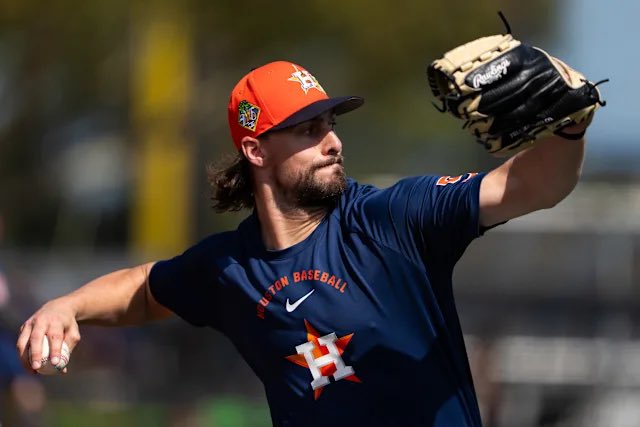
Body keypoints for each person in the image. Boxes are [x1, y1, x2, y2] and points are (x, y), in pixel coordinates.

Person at [16, 60, 590, 426]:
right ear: (256, 150)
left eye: (330, 124)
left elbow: (533, 186)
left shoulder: (393, 219)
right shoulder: (231, 268)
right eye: (308, 129)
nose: (332, 141)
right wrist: (68, 306)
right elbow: (146, 288)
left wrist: (569, 123)